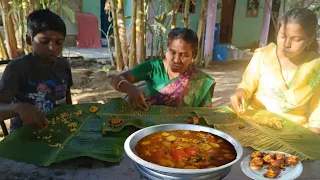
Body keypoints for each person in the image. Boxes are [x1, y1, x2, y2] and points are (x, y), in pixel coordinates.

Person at [230, 8, 320, 134]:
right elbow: (246, 85)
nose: (286, 44)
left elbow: (318, 109)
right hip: (254, 127)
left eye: (296, 39)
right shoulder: (263, 55)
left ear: (310, 40)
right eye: (283, 36)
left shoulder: (316, 66)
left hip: (294, 133)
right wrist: (240, 93)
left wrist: (312, 137)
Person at [0, 9, 73, 132]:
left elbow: (67, 101)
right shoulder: (17, 69)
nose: (52, 48)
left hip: (59, 130)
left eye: (59, 42)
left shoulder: (63, 66)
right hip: (25, 137)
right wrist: (17, 108)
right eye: (44, 41)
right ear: (29, 40)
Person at [111, 28, 215, 110]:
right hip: (148, 126)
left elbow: (206, 114)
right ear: (166, 51)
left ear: (194, 55)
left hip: (182, 132)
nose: (176, 60)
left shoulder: (200, 81)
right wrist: (130, 89)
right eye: (172, 52)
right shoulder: (153, 68)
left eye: (184, 55)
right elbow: (116, 80)